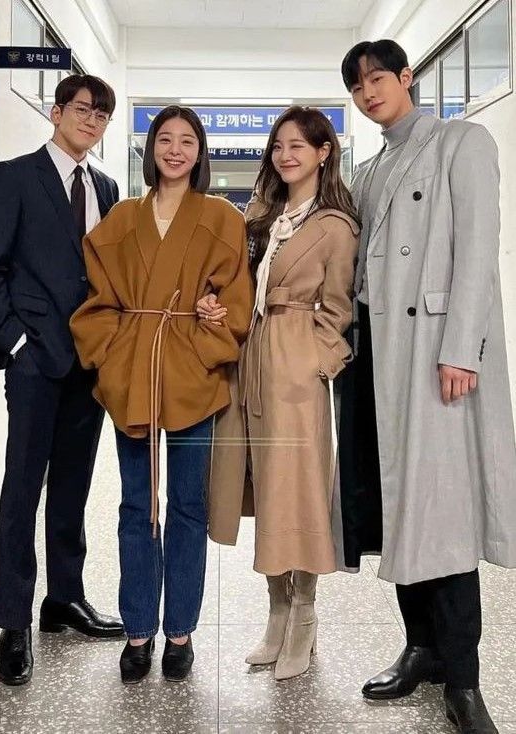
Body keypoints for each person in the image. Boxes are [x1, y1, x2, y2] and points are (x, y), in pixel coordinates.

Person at [335, 39, 516, 733]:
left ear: (406, 77)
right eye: (356, 86)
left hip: (433, 354)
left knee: (442, 518)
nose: (368, 92)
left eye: (377, 78)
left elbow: (476, 251)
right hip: (377, 357)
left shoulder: (458, 143)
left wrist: (459, 349)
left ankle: (464, 681)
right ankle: (420, 650)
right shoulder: (370, 167)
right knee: (396, 508)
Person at [70, 105, 253, 684]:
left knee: (187, 507)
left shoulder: (222, 217)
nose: (175, 150)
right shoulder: (123, 217)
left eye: (187, 141)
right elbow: (96, 299)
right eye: (165, 140)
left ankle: (180, 630)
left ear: (201, 152)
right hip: (134, 379)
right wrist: (109, 357)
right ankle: (138, 629)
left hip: (193, 375)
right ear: (150, 150)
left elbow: (237, 298)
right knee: (134, 505)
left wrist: (210, 326)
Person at [0, 75, 124, 687]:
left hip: (91, 364)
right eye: (83, 110)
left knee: (74, 487)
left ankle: (64, 599)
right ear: (57, 112)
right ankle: (13, 621)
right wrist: (17, 340)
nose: (92, 122)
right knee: (22, 488)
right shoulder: (13, 176)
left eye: (102, 115)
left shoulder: (107, 187)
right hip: (35, 361)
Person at [207, 106, 359, 680]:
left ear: (323, 152)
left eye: (299, 145)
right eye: (278, 146)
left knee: (299, 490)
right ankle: (275, 612)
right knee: (262, 486)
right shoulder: (261, 217)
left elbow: (340, 310)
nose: (286, 154)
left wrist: (314, 363)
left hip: (296, 366)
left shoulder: (335, 226)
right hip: (249, 360)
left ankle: (305, 614)